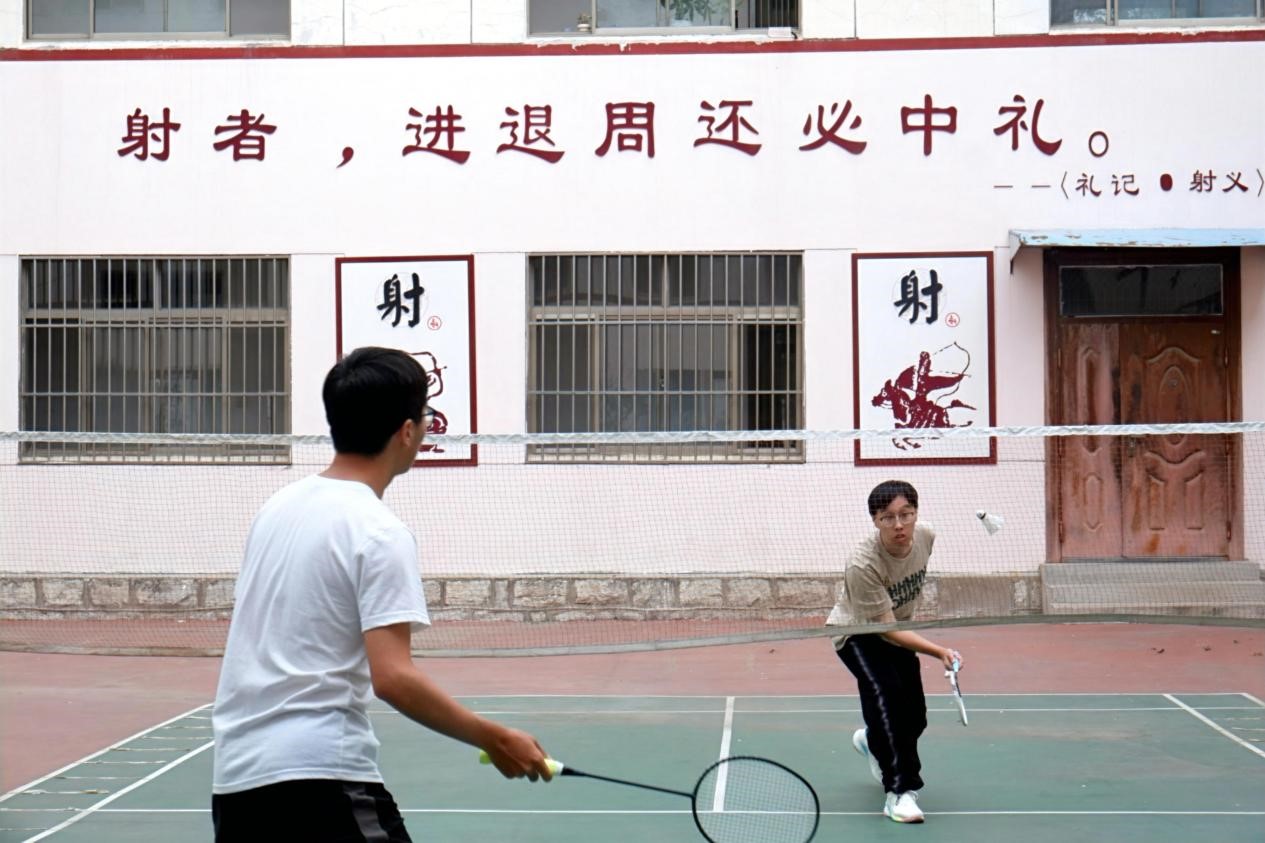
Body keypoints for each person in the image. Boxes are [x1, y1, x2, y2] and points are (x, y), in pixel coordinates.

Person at [211, 346, 552, 841]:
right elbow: (392, 676)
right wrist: (493, 737)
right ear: (407, 431)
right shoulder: (378, 532)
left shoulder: (276, 508)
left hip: (237, 783)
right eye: (425, 417)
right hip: (319, 780)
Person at [825, 479, 962, 824]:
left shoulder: (926, 536)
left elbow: (895, 629)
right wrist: (938, 651)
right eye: (888, 517)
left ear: (916, 514)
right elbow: (884, 628)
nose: (899, 524)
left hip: (897, 630)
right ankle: (900, 792)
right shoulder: (862, 564)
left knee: (915, 718)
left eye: (906, 514)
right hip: (858, 633)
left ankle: (873, 741)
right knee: (889, 701)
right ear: (875, 520)